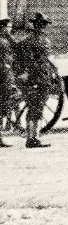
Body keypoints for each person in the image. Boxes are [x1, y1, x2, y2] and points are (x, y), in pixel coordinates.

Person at [11, 13, 55, 148]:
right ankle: (32, 138)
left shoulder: (32, 40)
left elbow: (45, 60)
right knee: (36, 108)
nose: (42, 28)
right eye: (42, 25)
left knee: (35, 108)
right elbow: (29, 61)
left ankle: (33, 137)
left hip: (40, 78)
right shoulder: (35, 41)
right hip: (36, 79)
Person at [0, 18, 14, 148]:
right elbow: (6, 63)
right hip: (3, 78)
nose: (10, 29)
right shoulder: (3, 42)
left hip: (4, 76)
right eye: (9, 27)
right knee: (2, 106)